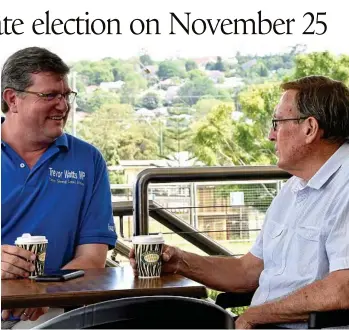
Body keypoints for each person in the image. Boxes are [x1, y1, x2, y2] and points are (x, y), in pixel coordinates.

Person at [130, 75, 349, 329]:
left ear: (309, 128)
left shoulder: (344, 186)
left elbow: (342, 288)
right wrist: (179, 261)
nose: (271, 135)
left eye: (277, 123)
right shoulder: (295, 187)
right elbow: (247, 271)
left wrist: (255, 316)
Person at [1, 47, 117, 328]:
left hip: (49, 310)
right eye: (49, 95)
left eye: (66, 95)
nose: (63, 106)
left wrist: (46, 292)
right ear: (12, 99)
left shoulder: (88, 159)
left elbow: (92, 257)